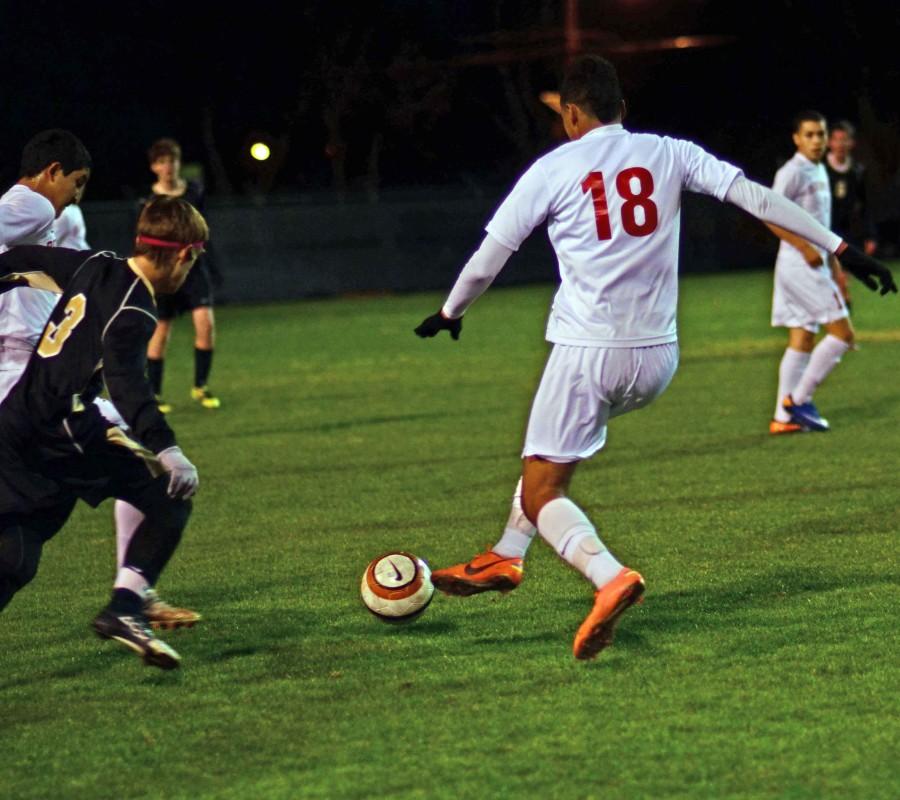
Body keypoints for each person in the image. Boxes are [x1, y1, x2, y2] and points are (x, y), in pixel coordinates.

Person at [415, 56, 896, 660]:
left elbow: (493, 253)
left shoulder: (553, 167)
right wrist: (841, 247)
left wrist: (452, 312)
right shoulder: (670, 152)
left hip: (589, 352)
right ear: (623, 109)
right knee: (551, 448)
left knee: (544, 489)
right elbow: (753, 196)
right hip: (657, 359)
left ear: (569, 113)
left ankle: (609, 576)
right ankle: (507, 556)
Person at [0, 131, 200, 631]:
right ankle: (130, 598)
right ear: (51, 172)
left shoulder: (62, 218)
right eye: (77, 181)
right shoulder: (33, 207)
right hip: (24, 372)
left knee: (28, 530)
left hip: (43, 367)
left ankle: (133, 594)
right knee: (134, 477)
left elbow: (69, 269)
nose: (78, 193)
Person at [766, 111, 860, 436]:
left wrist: (836, 267)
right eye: (810, 135)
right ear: (796, 139)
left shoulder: (818, 168)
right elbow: (768, 213)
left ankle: (782, 416)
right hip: (799, 265)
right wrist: (804, 248)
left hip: (812, 263)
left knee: (803, 338)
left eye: (820, 134)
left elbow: (822, 228)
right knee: (843, 335)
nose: (817, 141)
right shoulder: (791, 172)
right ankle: (799, 401)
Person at [143, 138, 220, 412]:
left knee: (206, 324)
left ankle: (201, 386)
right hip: (165, 272)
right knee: (161, 331)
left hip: (194, 269)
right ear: (154, 166)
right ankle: (155, 394)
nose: (168, 167)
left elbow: (204, 230)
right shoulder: (149, 200)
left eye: (173, 160)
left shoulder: (194, 191)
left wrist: (210, 263)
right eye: (162, 161)